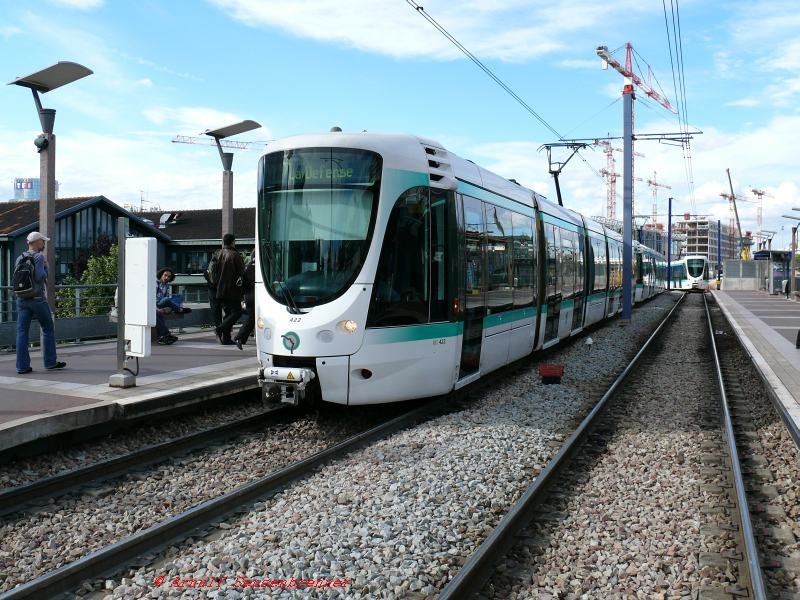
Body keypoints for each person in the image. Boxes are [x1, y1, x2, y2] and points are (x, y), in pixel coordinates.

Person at [14, 232, 66, 373]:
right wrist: (46, 267)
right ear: (36, 242)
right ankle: (50, 362)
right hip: (37, 299)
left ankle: (22, 366)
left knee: (22, 332)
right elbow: (39, 277)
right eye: (43, 241)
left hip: (22, 299)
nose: (44, 244)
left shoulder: (20, 257)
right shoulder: (38, 257)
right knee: (48, 328)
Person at [215, 233, 245, 345]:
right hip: (232, 290)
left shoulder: (218, 253)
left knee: (228, 314)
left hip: (219, 289)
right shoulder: (234, 255)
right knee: (237, 312)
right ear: (233, 241)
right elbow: (243, 273)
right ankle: (220, 329)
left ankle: (226, 339)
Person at [234, 253, 256, 350]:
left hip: (248, 296)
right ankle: (239, 337)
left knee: (252, 318)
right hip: (256, 295)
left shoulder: (248, 266)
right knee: (252, 318)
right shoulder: (261, 266)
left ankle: (241, 339)